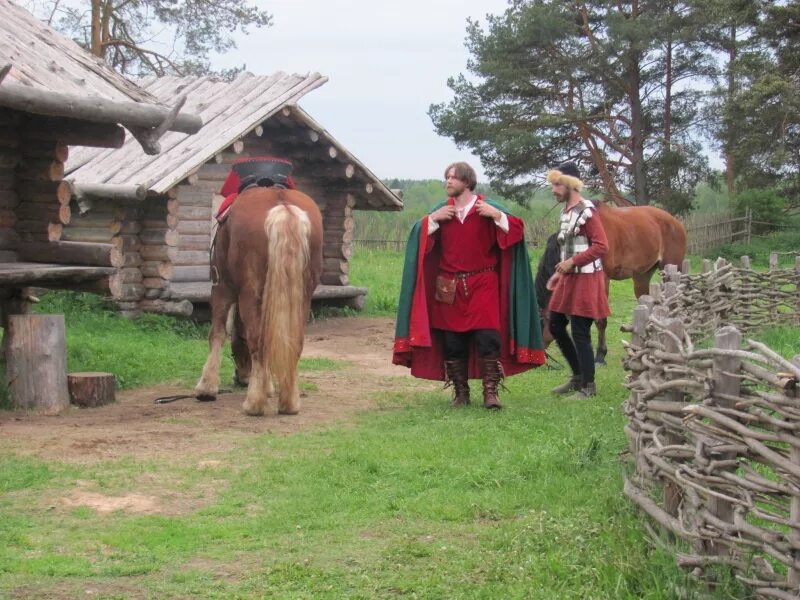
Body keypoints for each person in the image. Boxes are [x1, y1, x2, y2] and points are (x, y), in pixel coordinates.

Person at [393, 161, 546, 409]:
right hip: (448, 287)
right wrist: (432, 219)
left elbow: (516, 230)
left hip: (483, 283)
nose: (448, 182)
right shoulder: (442, 212)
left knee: (488, 338)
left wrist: (497, 216)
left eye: (453, 178)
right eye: (447, 178)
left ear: (467, 182)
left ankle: (490, 394)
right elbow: (417, 238)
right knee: (453, 343)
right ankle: (461, 393)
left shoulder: (487, 209)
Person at [545, 162, 610, 398]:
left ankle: (588, 387)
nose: (553, 189)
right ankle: (577, 375)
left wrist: (572, 263)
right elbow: (569, 249)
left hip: (587, 278)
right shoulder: (567, 212)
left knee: (580, 331)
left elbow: (602, 246)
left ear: (571, 185)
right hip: (569, 279)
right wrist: (558, 272)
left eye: (557, 184)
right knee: (555, 325)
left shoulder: (587, 212)